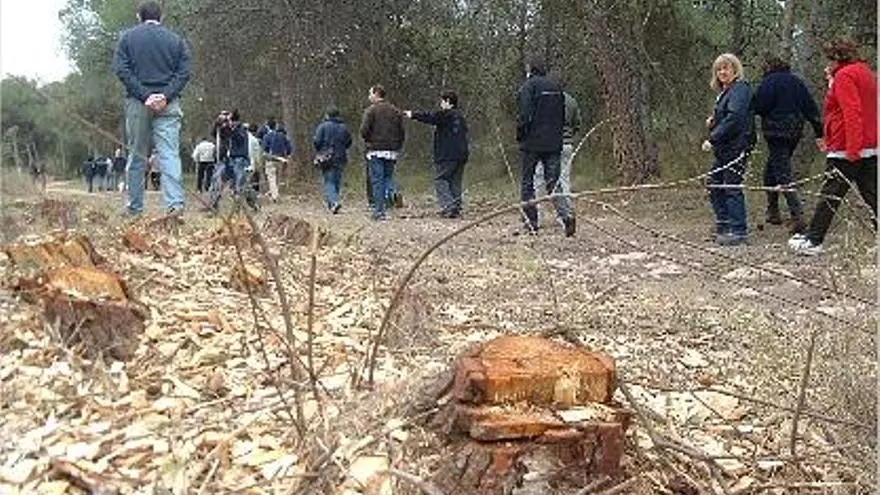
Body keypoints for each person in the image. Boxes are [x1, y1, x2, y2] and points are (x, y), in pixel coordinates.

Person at [788, 37, 877, 256]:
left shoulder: (845, 76)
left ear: (837, 58)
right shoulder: (864, 72)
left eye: (829, 59)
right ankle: (813, 236)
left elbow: (851, 112)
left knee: (830, 195)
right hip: (868, 145)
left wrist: (852, 149)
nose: (826, 64)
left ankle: (814, 240)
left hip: (847, 148)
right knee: (873, 194)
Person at [112, 0, 191, 218]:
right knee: (169, 154)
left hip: (138, 103)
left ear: (139, 16)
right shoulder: (176, 40)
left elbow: (121, 70)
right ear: (161, 17)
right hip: (169, 103)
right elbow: (184, 72)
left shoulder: (127, 38)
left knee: (137, 155)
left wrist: (145, 95)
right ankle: (175, 204)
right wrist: (165, 95)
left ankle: (134, 208)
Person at [754, 52, 822, 234]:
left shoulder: (768, 82)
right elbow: (811, 108)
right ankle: (773, 211)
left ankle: (798, 216)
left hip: (775, 133)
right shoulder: (796, 82)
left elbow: (759, 107)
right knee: (771, 169)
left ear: (767, 68)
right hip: (794, 131)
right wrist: (819, 133)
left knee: (783, 173)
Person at [516, 58, 576, 236]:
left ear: (530, 70)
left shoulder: (528, 87)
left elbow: (524, 114)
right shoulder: (556, 88)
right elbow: (562, 116)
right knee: (554, 182)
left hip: (532, 143)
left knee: (528, 183)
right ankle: (566, 216)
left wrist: (521, 135)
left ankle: (531, 222)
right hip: (554, 143)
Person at [702, 53, 753, 246]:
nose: (722, 72)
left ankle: (738, 230)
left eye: (726, 68)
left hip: (736, 146)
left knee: (732, 186)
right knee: (714, 182)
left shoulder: (740, 89)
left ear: (735, 70)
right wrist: (714, 121)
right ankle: (724, 224)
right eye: (719, 69)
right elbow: (727, 115)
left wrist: (713, 138)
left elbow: (735, 118)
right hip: (726, 148)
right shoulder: (726, 91)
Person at [404, 89, 469, 218]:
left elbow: (430, 117)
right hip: (461, 155)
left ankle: (448, 206)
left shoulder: (446, 115)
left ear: (448, 102)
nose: (441, 104)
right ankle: (456, 208)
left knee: (440, 179)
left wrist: (412, 114)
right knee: (455, 182)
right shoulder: (460, 117)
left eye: (442, 101)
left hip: (447, 155)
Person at [360, 85, 405, 220]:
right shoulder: (395, 111)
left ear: (376, 93)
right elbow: (401, 132)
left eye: (370, 93)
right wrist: (397, 146)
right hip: (392, 150)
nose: (369, 97)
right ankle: (392, 193)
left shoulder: (371, 110)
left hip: (375, 149)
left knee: (377, 180)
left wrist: (368, 141)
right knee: (388, 177)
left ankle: (379, 211)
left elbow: (364, 131)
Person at [535, 90, 581, 222]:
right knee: (564, 179)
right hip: (566, 144)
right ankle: (566, 216)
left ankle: (537, 215)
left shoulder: (543, 100)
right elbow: (577, 123)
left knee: (539, 178)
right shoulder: (570, 100)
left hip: (548, 145)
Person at [207, 110, 258, 211]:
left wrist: (231, 128)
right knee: (217, 178)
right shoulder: (226, 129)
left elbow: (239, 139)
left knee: (240, 183)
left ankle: (251, 204)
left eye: (229, 120)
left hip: (240, 160)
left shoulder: (241, 130)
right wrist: (217, 123)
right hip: (227, 160)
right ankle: (213, 204)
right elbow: (215, 133)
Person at [313, 106, 353, 213]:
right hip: (341, 157)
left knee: (329, 181)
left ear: (327, 115)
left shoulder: (322, 126)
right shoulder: (343, 127)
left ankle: (334, 202)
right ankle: (333, 204)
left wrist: (320, 150)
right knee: (336, 181)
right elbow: (349, 142)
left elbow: (317, 141)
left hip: (327, 158)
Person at [264, 124, 293, 203]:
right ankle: (276, 193)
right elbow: (289, 148)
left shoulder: (267, 136)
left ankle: (275, 196)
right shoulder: (284, 137)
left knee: (271, 178)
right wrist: (288, 156)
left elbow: (265, 148)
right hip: (281, 160)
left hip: (271, 159)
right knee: (278, 179)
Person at [246, 123, 264, 196]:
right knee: (254, 179)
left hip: (241, 162)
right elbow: (257, 154)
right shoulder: (254, 140)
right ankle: (253, 195)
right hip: (252, 162)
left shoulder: (242, 137)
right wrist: (259, 164)